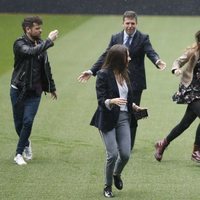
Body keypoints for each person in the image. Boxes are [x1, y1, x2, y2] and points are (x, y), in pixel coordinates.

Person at [78, 10, 166, 150]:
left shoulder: (143, 38)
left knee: (132, 112)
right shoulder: (116, 37)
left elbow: (150, 51)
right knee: (114, 108)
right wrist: (91, 71)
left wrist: (157, 61)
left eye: (132, 23)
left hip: (135, 83)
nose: (130, 26)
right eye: (127, 23)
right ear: (123, 23)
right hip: (115, 80)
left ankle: (128, 145)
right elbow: (106, 55)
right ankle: (114, 140)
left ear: (136, 23)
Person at [90, 44, 147, 198]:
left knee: (126, 154)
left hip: (123, 118)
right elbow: (101, 100)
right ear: (118, 58)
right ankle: (107, 187)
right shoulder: (103, 74)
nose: (129, 58)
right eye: (126, 56)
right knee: (112, 154)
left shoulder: (125, 73)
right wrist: (112, 101)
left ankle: (116, 173)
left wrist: (134, 106)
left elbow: (126, 97)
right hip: (107, 118)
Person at [10, 16, 58, 165]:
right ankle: (26, 143)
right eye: (37, 28)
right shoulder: (19, 44)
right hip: (18, 89)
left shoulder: (42, 44)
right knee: (19, 124)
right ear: (28, 29)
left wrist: (52, 87)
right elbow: (30, 52)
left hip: (35, 91)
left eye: (40, 28)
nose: (41, 30)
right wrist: (49, 41)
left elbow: (46, 66)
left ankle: (18, 154)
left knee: (28, 121)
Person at [154, 30, 200, 163]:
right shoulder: (193, 52)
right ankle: (197, 151)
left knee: (184, 124)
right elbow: (177, 61)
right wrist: (176, 69)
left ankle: (163, 143)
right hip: (190, 89)